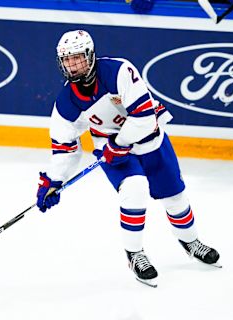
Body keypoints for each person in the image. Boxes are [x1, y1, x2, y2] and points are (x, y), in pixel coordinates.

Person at [36, 30, 220, 286]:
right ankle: (135, 254)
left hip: (150, 140)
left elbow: (144, 117)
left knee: (175, 197)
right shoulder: (66, 103)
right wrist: (53, 180)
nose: (72, 66)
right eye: (67, 60)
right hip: (111, 149)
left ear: (90, 56)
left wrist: (120, 142)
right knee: (134, 188)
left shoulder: (119, 71)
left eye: (77, 58)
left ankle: (191, 242)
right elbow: (65, 147)